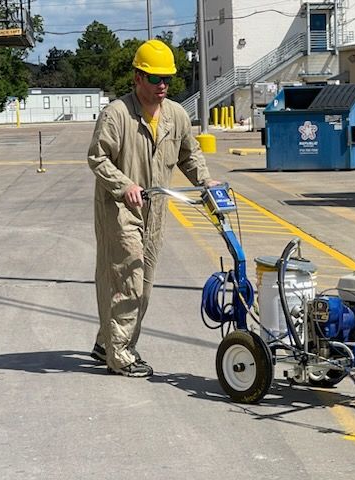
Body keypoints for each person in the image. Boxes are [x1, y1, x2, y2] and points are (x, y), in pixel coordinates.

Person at [87, 39, 219, 377]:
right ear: (137, 78)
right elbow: (97, 157)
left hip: (156, 209)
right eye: (155, 78)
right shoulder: (117, 114)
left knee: (143, 283)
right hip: (120, 209)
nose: (162, 85)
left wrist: (206, 183)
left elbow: (190, 156)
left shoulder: (176, 114)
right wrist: (124, 185)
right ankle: (120, 355)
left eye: (167, 79)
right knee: (127, 279)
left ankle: (108, 341)